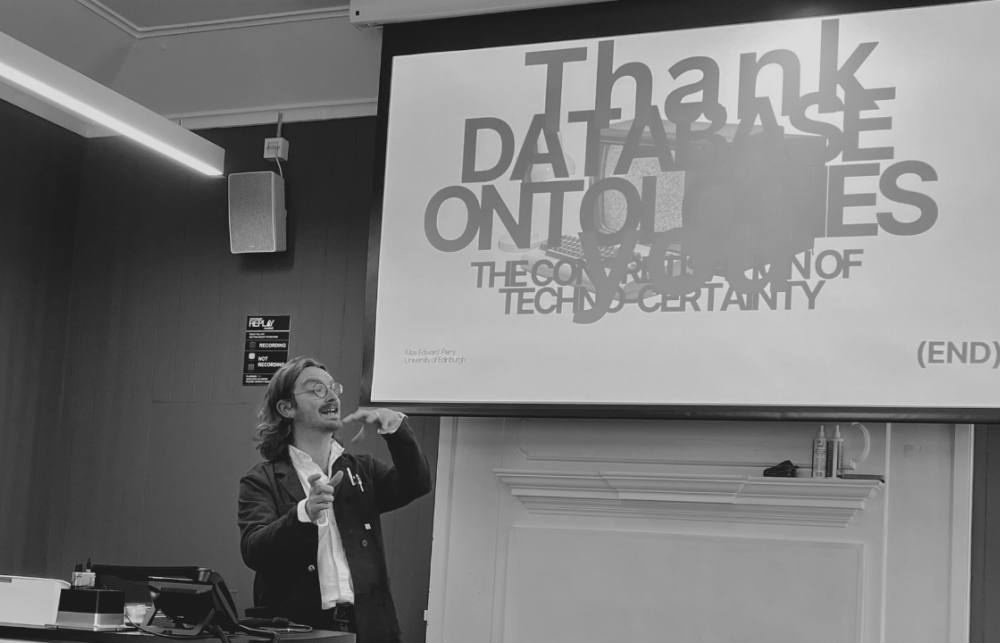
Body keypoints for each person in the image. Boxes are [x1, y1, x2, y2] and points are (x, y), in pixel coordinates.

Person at [238, 356, 432, 643]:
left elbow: (416, 484)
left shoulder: (361, 470)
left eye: (333, 387)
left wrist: (396, 429)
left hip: (370, 628)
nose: (331, 396)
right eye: (317, 389)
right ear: (287, 408)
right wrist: (304, 513)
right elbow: (254, 550)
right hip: (300, 629)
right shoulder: (261, 479)